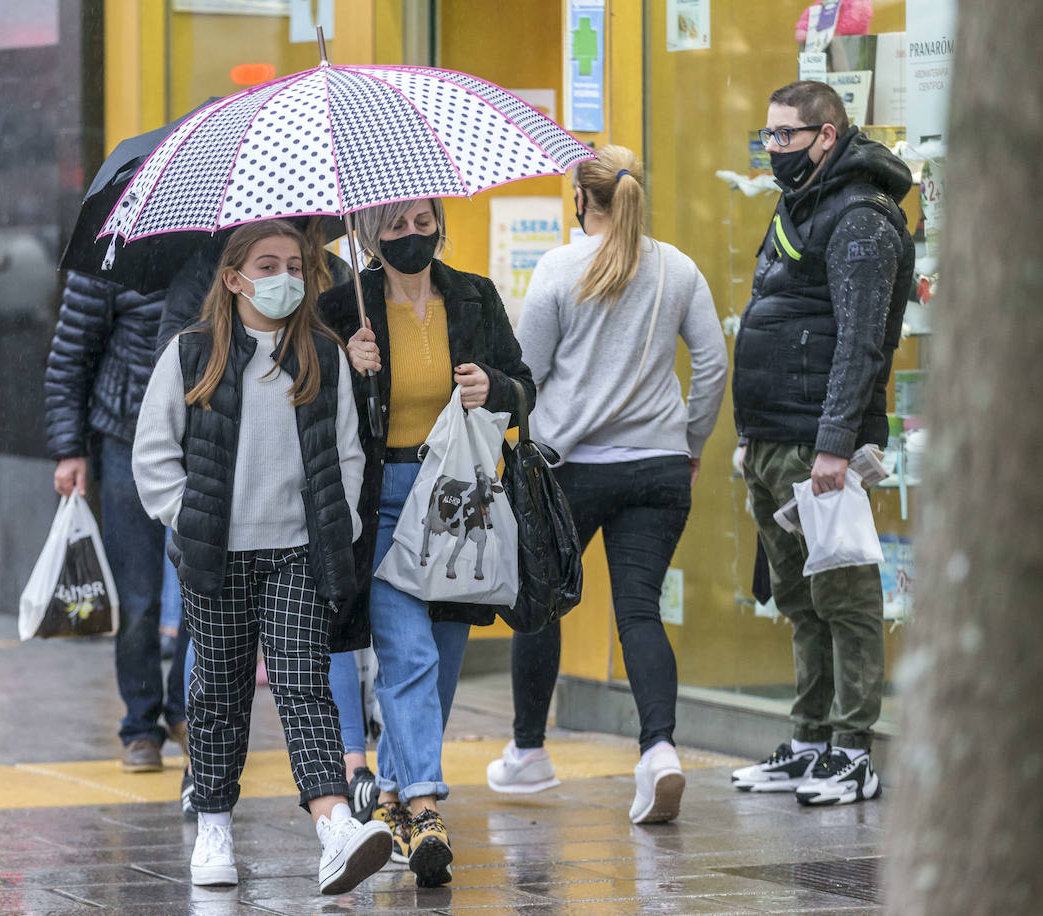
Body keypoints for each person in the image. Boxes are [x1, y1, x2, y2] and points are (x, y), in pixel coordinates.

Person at [132, 220, 392, 894]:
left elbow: (347, 454)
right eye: (268, 265)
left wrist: (334, 525)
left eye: (297, 267)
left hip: (299, 555)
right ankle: (214, 827)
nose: (285, 279)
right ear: (233, 277)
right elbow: (153, 456)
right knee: (217, 694)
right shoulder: (193, 356)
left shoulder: (322, 355)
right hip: (216, 555)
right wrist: (188, 518)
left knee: (305, 686)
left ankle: (334, 825)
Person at [498, 146, 729, 824]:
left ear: (580, 200)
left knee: (539, 604)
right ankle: (658, 751)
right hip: (658, 467)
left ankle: (529, 754)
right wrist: (689, 444)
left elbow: (525, 373)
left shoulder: (558, 269)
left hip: (570, 470)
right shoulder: (678, 267)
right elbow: (713, 365)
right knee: (639, 613)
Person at [319, 198, 535, 887]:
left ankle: (386, 796)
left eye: (423, 221)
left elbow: (524, 389)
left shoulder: (475, 296)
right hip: (378, 505)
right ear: (366, 233)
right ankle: (425, 808)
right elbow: (303, 404)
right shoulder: (338, 310)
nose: (413, 234)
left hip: (455, 500)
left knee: (439, 665)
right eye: (395, 224)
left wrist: (492, 386)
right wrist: (345, 366)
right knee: (406, 655)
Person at [729, 81, 913, 806]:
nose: (772, 149)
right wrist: (751, 437)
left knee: (845, 599)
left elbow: (862, 344)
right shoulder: (797, 204)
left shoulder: (862, 218)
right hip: (774, 439)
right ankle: (809, 741)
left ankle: (853, 751)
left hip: (819, 445)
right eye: (767, 136)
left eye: (785, 137)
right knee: (800, 600)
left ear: (827, 137)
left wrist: (835, 444)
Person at [44, 270, 189, 773]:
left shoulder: (226, 241)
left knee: (210, 588)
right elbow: (70, 355)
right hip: (126, 437)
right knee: (139, 596)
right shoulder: (112, 250)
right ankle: (141, 725)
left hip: (206, 431)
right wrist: (69, 449)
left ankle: (189, 710)